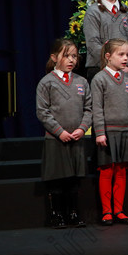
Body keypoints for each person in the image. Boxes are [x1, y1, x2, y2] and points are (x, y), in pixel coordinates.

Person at [36, 39, 92, 228]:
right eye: (66, 55)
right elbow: (42, 112)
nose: (71, 60)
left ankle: (74, 214)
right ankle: (56, 215)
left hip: (76, 139)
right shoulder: (47, 82)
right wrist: (59, 132)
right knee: (57, 180)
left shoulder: (81, 82)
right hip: (56, 140)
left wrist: (81, 128)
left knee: (74, 180)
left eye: (74, 56)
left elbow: (89, 109)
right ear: (54, 57)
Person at [91, 38, 128, 225]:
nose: (125, 58)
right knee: (106, 171)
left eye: (127, 54)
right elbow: (96, 108)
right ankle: (107, 212)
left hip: (125, 131)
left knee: (121, 171)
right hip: (108, 132)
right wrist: (100, 132)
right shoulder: (100, 79)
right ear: (107, 56)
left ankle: (119, 210)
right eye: (121, 54)